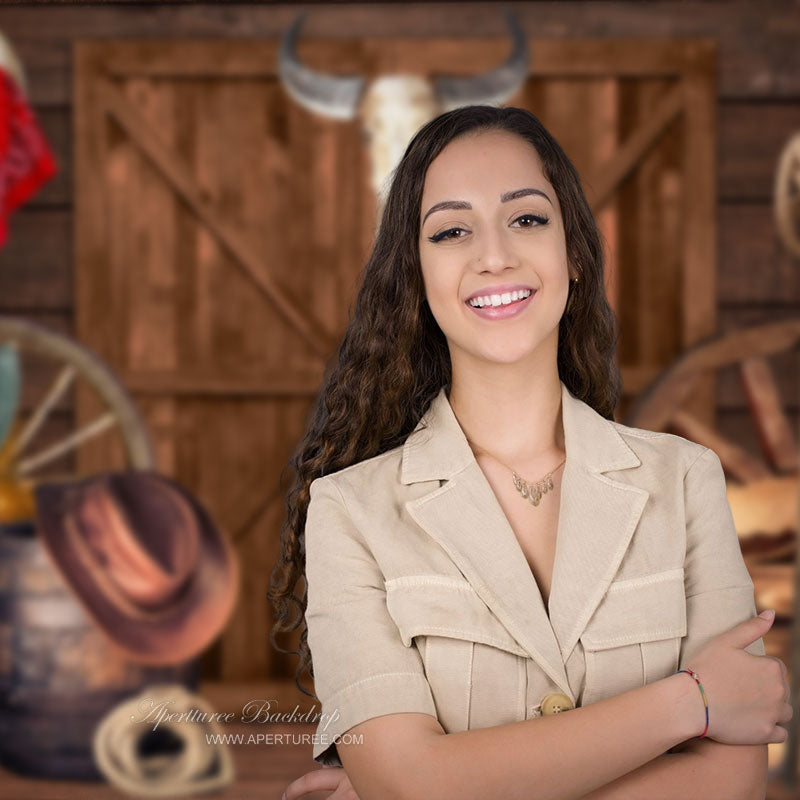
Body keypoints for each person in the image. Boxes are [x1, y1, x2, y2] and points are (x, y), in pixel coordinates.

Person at [270, 105, 791, 800]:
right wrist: (689, 703)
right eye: (452, 231)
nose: (495, 255)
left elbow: (733, 784)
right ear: (416, 278)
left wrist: (441, 784)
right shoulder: (348, 513)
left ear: (573, 252)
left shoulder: (687, 481)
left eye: (527, 219)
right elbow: (409, 784)